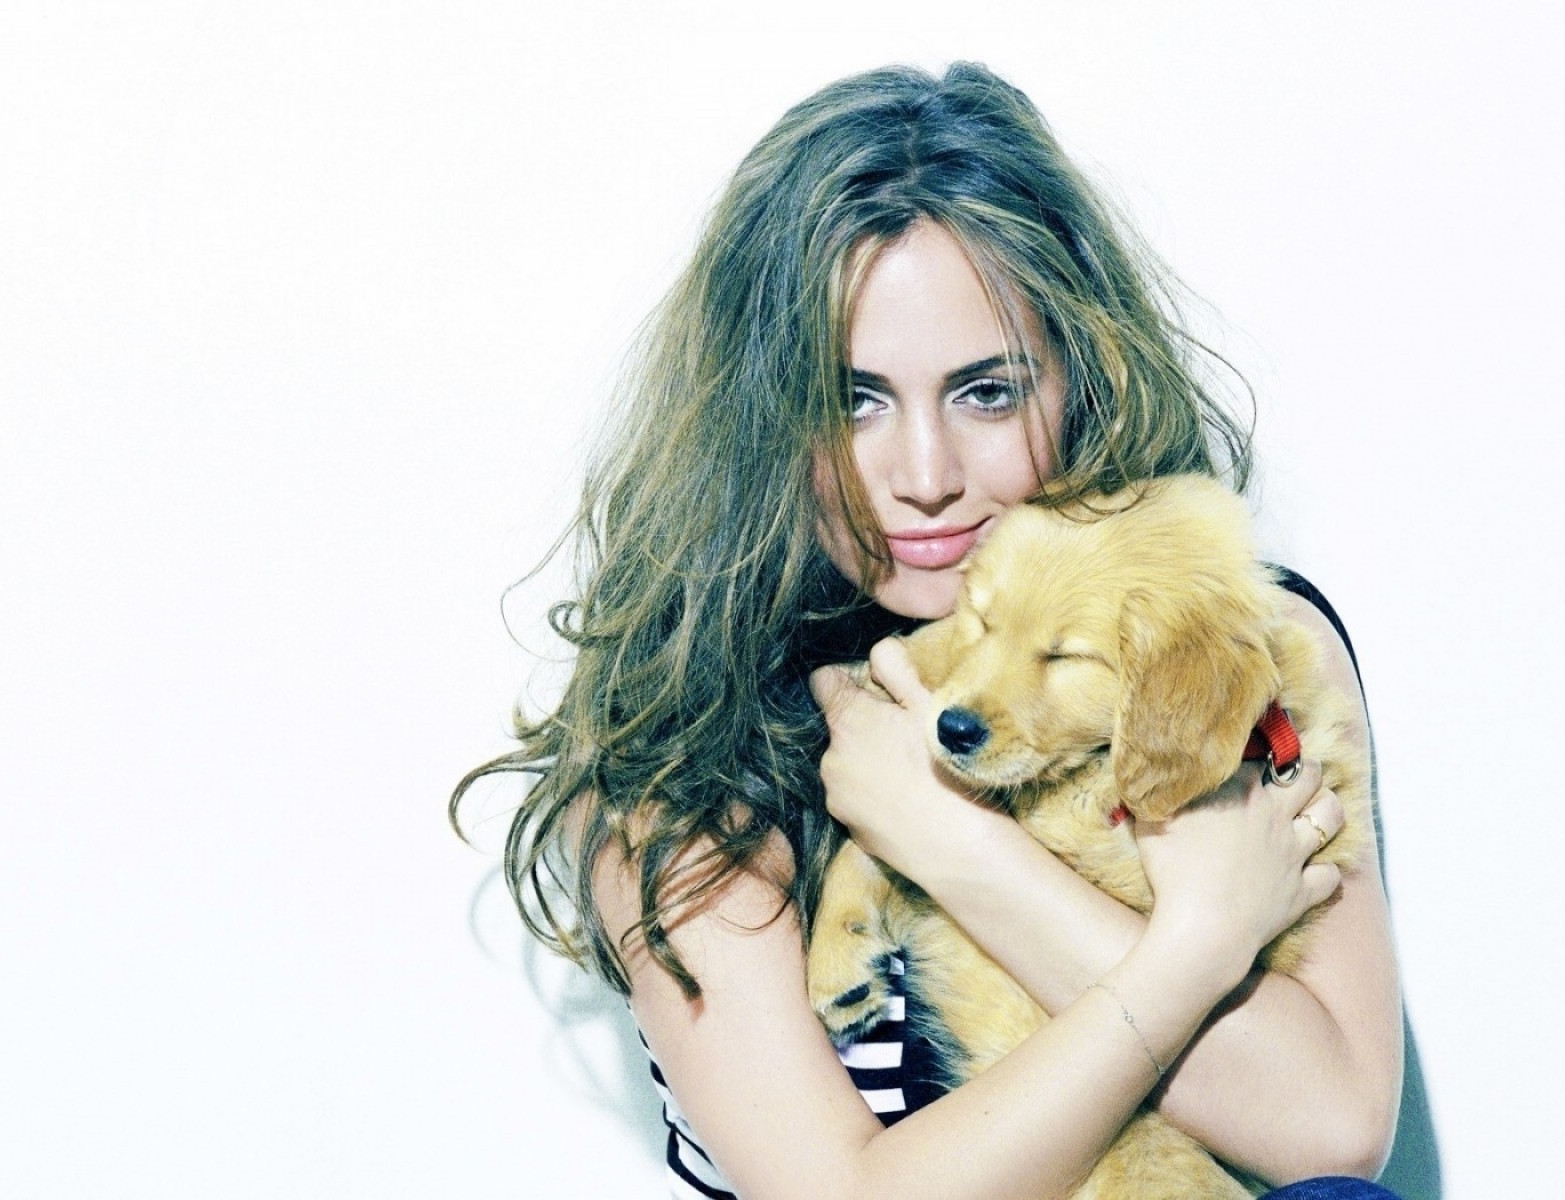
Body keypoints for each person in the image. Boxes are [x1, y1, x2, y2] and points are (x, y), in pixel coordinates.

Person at [453, 63, 1403, 1200]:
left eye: (987, 392)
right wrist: (1196, 946)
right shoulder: (690, 763)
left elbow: (1333, 1130)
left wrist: (950, 839)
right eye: (852, 400)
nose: (925, 475)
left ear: (1082, 376)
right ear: (763, 419)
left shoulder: (1234, 643)